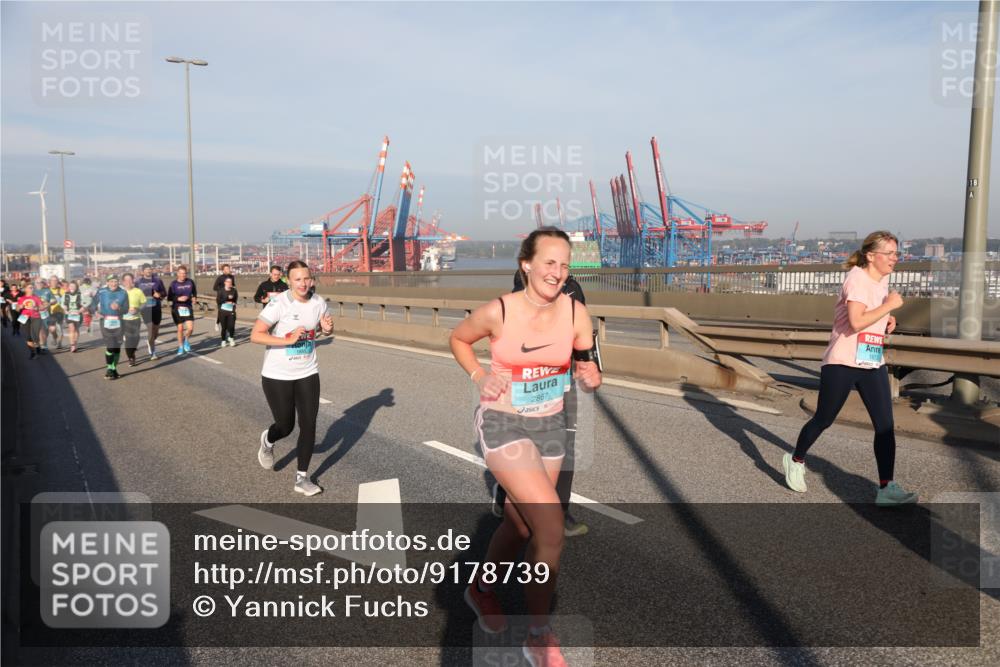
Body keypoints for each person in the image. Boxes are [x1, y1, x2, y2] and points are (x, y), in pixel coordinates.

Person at [449, 227, 601, 665]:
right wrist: (480, 376)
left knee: (519, 526)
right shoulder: (499, 310)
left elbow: (588, 365)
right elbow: (458, 339)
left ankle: (481, 588)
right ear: (527, 264)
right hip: (502, 421)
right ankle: (538, 635)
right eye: (549, 262)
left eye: (565, 264)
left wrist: (592, 377)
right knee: (550, 527)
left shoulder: (576, 313)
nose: (558, 272)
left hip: (550, 423)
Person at [784, 230, 917, 506]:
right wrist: (891, 305)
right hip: (843, 361)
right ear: (871, 256)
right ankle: (796, 460)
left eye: (896, 253)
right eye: (890, 253)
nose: (895, 258)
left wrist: (888, 318)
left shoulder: (882, 281)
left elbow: (871, 315)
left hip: (870, 361)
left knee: (885, 427)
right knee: (824, 419)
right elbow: (856, 322)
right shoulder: (856, 279)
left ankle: (886, 487)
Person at [496, 270, 590, 537]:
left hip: (564, 378)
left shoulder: (573, 286)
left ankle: (560, 513)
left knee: (565, 444)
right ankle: (508, 497)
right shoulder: (524, 281)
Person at [250, 260, 334, 496]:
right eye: (297, 279)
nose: (303, 283)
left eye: (306, 278)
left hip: (307, 371)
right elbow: (256, 335)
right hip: (277, 375)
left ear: (312, 279)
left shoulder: (318, 302)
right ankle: (268, 441)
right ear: (289, 280)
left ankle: (302, 479)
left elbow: (318, 330)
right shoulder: (280, 303)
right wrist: (287, 340)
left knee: (309, 424)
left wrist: (326, 329)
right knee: (285, 426)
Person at [92, 275, 129, 379]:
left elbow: (126, 309)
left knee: (117, 347)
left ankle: (114, 369)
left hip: (119, 322)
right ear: (107, 282)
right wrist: (95, 312)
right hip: (105, 321)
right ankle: (109, 369)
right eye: (111, 281)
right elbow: (92, 304)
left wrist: (120, 308)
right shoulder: (101, 292)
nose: (114, 284)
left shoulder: (123, 293)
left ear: (118, 282)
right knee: (110, 345)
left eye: (115, 281)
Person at [136, 264, 167, 360]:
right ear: (142, 271)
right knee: (150, 329)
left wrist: (159, 294)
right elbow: (135, 295)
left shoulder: (157, 280)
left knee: (156, 331)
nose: (148, 271)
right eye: (146, 269)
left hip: (156, 308)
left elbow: (164, 293)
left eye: (150, 269)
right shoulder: (138, 282)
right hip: (145, 310)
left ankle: (151, 342)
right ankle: (153, 353)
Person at [168, 265, 198, 356]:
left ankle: (186, 340)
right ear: (177, 274)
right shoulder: (173, 284)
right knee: (180, 329)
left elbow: (194, 292)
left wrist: (194, 298)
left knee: (190, 328)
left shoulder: (190, 282)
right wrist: (178, 298)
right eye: (181, 273)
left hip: (188, 307)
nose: (183, 275)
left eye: (184, 273)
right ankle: (180, 347)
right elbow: (169, 297)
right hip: (177, 308)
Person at [14, 282, 45, 359]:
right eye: (30, 287)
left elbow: (42, 307)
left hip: (36, 317)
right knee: (28, 336)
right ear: (25, 289)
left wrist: (37, 308)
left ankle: (37, 346)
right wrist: (20, 306)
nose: (32, 289)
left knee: (35, 335)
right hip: (24, 317)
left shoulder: (36, 298)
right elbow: (17, 309)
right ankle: (32, 352)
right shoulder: (22, 298)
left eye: (32, 287)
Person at [121, 273, 146, 366]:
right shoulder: (120, 292)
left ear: (133, 281)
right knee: (128, 339)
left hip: (136, 318)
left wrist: (138, 309)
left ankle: (132, 349)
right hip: (124, 319)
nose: (128, 282)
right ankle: (131, 357)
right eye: (126, 280)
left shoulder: (138, 291)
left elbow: (144, 303)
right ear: (123, 282)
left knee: (136, 337)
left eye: (130, 280)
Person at [61, 281, 84, 352]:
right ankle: (72, 345)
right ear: (69, 287)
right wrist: (65, 309)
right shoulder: (65, 294)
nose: (72, 288)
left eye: (74, 286)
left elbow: (85, 305)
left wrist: (79, 311)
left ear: (76, 287)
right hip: (69, 314)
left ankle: (75, 343)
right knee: (71, 328)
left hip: (78, 314)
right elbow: (62, 304)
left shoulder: (81, 295)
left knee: (76, 329)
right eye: (71, 286)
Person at [216, 275, 238, 347]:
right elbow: (218, 301)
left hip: (231, 310)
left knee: (231, 326)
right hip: (223, 311)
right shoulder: (221, 291)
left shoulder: (234, 291)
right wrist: (225, 301)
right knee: (224, 327)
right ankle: (223, 340)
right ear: (225, 283)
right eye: (228, 282)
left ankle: (231, 338)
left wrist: (234, 304)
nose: (229, 283)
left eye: (230, 282)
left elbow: (235, 300)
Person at [213, 264, 235, 332]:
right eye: (226, 269)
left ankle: (228, 330)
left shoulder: (232, 277)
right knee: (222, 312)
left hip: (229, 298)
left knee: (229, 313)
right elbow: (214, 287)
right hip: (221, 298)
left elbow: (233, 285)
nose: (228, 270)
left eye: (228, 269)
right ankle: (217, 323)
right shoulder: (220, 278)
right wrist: (222, 290)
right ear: (223, 270)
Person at [46, 275, 65, 350]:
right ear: (49, 282)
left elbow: (66, 300)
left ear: (58, 282)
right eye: (52, 280)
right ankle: (55, 338)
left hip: (59, 311)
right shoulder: (46, 290)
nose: (54, 282)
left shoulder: (61, 291)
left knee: (59, 328)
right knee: (52, 329)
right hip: (49, 312)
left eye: (55, 280)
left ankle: (59, 343)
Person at [33, 278, 52, 353]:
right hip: (36, 313)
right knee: (40, 330)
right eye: (37, 282)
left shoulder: (47, 291)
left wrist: (49, 303)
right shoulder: (32, 292)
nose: (39, 284)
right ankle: (42, 345)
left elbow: (53, 300)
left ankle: (44, 342)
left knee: (46, 330)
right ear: (35, 283)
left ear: (43, 283)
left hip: (45, 313)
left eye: (40, 282)